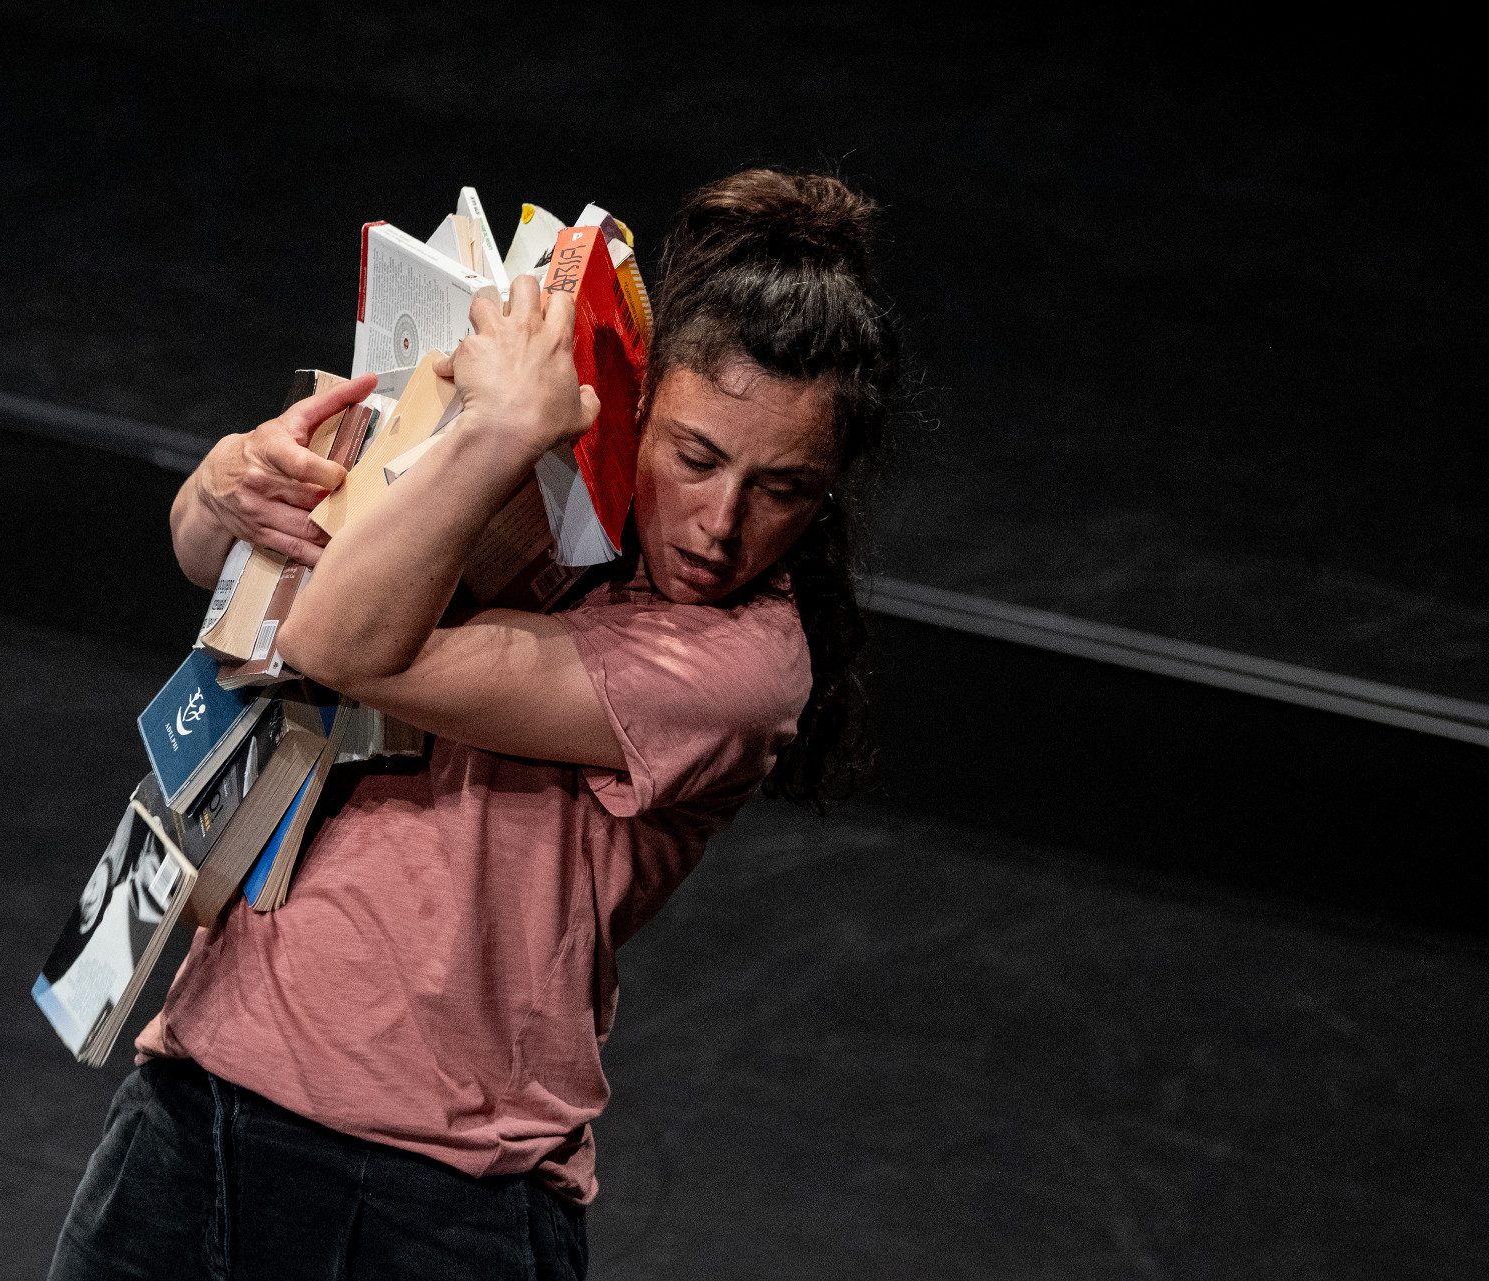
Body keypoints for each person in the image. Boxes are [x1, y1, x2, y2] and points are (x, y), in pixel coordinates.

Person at [47, 168, 900, 1280]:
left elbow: (343, 644)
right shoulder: (537, 480)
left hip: (436, 1198)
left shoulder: (736, 669)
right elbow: (219, 570)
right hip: (200, 1096)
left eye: (783, 487)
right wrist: (222, 487)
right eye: (694, 457)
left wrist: (496, 431)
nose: (723, 521)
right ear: (632, 405)